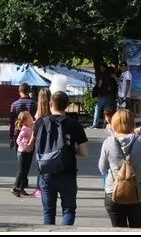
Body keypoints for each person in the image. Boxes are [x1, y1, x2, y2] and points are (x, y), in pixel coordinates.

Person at [99, 108, 141, 227]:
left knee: (118, 229)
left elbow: (102, 168)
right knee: (137, 228)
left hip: (113, 192)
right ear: (132, 123)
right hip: (138, 193)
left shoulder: (108, 142)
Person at [34, 90, 89, 226]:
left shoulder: (40, 123)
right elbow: (84, 152)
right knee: (68, 210)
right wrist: (71, 149)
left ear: (51, 104)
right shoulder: (73, 124)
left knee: (48, 211)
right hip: (67, 171)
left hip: (46, 172)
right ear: (67, 105)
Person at [11, 102, 37, 196]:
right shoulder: (25, 129)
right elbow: (18, 140)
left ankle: (21, 188)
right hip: (22, 152)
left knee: (26, 170)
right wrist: (25, 146)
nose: (32, 118)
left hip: (28, 152)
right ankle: (15, 187)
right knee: (21, 171)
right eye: (30, 117)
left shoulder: (31, 125)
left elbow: (36, 122)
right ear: (26, 121)